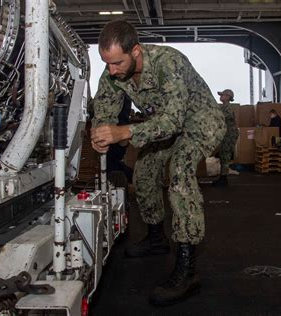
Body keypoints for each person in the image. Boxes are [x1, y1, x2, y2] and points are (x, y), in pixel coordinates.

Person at [90, 20, 226, 306]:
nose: (111, 70)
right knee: (144, 172)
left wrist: (124, 132)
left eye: (117, 62)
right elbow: (104, 105)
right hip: (162, 126)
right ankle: (155, 238)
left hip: (200, 123)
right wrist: (101, 132)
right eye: (107, 63)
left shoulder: (169, 62)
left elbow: (173, 121)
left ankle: (188, 268)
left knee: (179, 172)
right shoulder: (114, 71)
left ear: (135, 51)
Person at [212, 89, 239, 186]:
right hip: (227, 133)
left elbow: (222, 118)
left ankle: (223, 179)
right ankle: (222, 178)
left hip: (230, 134)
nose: (221, 96)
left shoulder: (228, 108)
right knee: (223, 154)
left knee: (225, 155)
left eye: (222, 95)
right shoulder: (224, 107)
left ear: (228, 97)